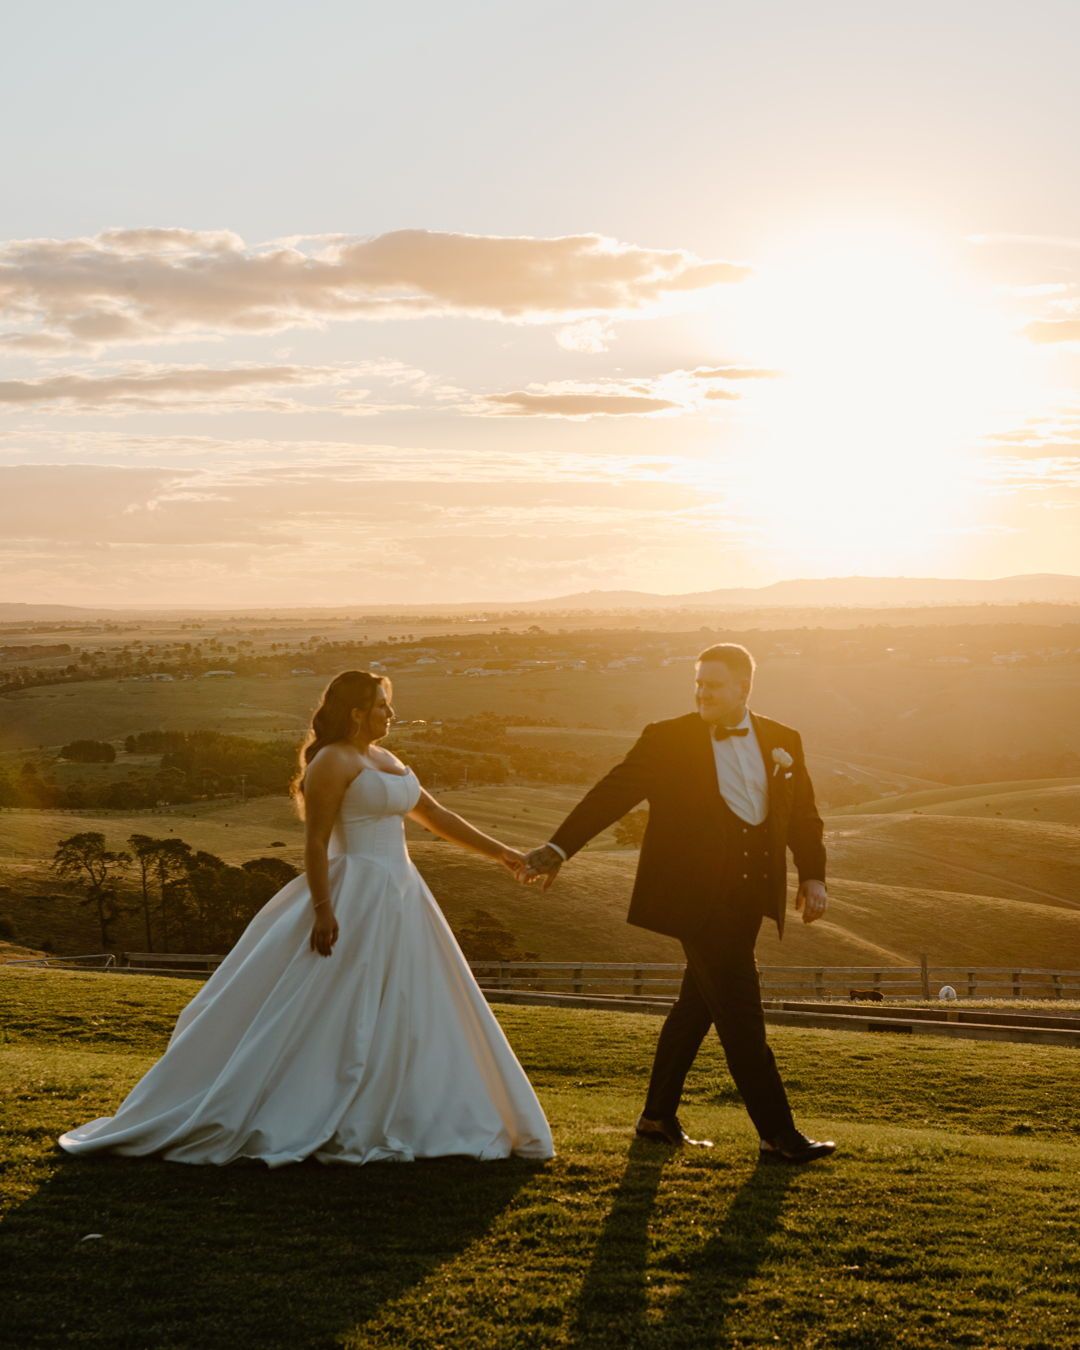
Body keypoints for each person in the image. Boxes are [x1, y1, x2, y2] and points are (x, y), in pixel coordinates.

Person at [58, 670, 553, 1167]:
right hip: (353, 891)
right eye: (381, 705)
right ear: (356, 712)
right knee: (328, 1001)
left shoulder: (389, 760)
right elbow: (315, 841)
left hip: (403, 893)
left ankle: (405, 1103)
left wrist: (505, 855)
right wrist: (323, 909)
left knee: (411, 999)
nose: (390, 714)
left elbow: (438, 816)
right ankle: (305, 1100)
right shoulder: (331, 762)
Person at [521, 643, 835, 1164]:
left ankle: (655, 1118)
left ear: (743, 688)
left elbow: (803, 815)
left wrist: (814, 875)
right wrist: (559, 847)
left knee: (696, 1007)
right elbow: (612, 793)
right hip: (696, 899)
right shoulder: (667, 739)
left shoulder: (783, 740)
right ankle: (778, 1134)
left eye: (713, 684)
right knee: (741, 1014)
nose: (701, 692)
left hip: (749, 897)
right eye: (698, 683)